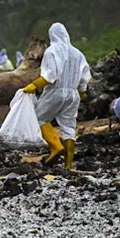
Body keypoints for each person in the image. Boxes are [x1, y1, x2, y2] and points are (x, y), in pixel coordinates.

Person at [23, 23, 91, 169]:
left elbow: (50, 76)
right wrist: (78, 95)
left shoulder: (52, 51)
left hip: (55, 91)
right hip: (73, 94)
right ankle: (68, 166)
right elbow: (84, 79)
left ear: (51, 35)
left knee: (38, 118)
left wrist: (34, 86)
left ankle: (55, 147)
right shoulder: (78, 53)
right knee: (68, 128)